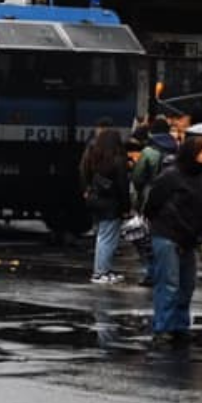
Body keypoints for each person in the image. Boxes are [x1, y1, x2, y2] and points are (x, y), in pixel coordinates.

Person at [144, 133, 202, 341]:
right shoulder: (171, 176)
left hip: (187, 235)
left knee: (185, 285)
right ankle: (164, 326)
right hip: (169, 234)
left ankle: (179, 325)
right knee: (170, 283)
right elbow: (152, 204)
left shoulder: (201, 176)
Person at [79, 122, 130, 285]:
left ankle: (103, 270)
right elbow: (123, 185)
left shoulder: (94, 158)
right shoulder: (118, 160)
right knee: (108, 238)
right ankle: (101, 271)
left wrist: (87, 189)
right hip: (112, 203)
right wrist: (126, 206)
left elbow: (84, 172)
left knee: (102, 236)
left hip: (97, 200)